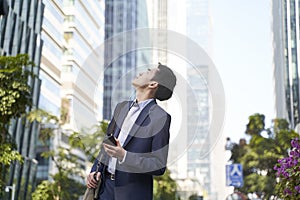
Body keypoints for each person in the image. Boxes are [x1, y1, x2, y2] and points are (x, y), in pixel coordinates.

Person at [86, 63, 177, 200]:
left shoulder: (160, 118)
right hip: (104, 189)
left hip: (132, 193)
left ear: (153, 84)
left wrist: (124, 156)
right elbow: (106, 145)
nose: (141, 73)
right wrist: (95, 171)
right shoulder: (121, 108)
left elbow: (158, 165)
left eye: (147, 71)